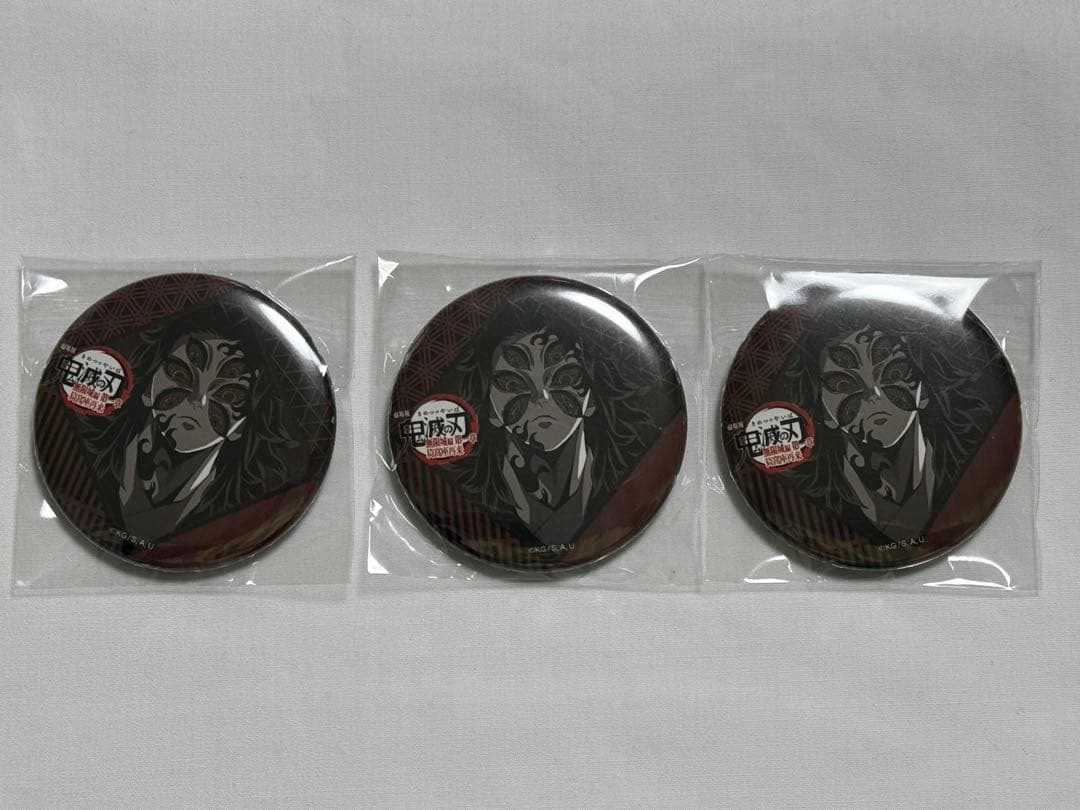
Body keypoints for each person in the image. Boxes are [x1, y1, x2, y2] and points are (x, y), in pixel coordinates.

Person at [80, 302, 294, 544]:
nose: (198, 400)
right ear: (148, 386)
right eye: (181, 375)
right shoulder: (87, 462)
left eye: (228, 395)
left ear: (241, 427)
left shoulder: (242, 510)